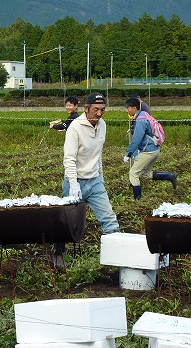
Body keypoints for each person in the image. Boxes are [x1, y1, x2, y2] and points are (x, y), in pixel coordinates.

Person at [56, 92, 119, 268]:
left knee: (110, 220)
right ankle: (59, 254)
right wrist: (74, 185)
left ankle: (114, 260)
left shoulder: (102, 125)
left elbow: (98, 154)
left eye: (102, 110)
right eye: (96, 110)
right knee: (66, 224)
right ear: (86, 109)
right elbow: (69, 159)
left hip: (95, 181)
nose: (99, 113)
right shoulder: (75, 127)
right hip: (76, 182)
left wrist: (101, 177)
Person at [123, 96, 176, 200]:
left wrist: (128, 153)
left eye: (128, 108)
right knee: (145, 173)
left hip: (148, 152)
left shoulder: (140, 121)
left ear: (134, 108)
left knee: (133, 174)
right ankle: (170, 176)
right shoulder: (144, 115)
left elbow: (136, 139)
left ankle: (137, 200)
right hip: (154, 150)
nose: (127, 110)